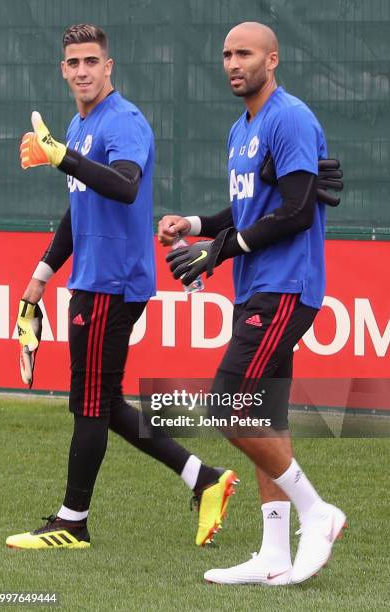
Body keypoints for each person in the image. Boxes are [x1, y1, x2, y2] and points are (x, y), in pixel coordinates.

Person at [7, 23, 239, 551]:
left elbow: (126, 184)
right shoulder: (77, 122)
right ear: (63, 70)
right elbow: (80, 208)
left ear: (108, 66)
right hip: (92, 280)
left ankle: (72, 523)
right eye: (74, 63)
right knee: (104, 402)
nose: (83, 71)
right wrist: (40, 279)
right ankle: (204, 478)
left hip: (114, 285)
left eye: (92, 61)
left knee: (88, 404)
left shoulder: (124, 121)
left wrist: (62, 155)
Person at [158, 22, 346, 585]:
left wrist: (219, 250)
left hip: (287, 286)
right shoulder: (241, 128)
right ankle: (273, 552)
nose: (233, 63)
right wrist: (194, 224)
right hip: (256, 285)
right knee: (265, 417)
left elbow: (293, 212)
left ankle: (317, 513)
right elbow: (245, 212)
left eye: (244, 53)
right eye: (226, 54)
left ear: (273, 58)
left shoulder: (288, 116)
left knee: (225, 405)